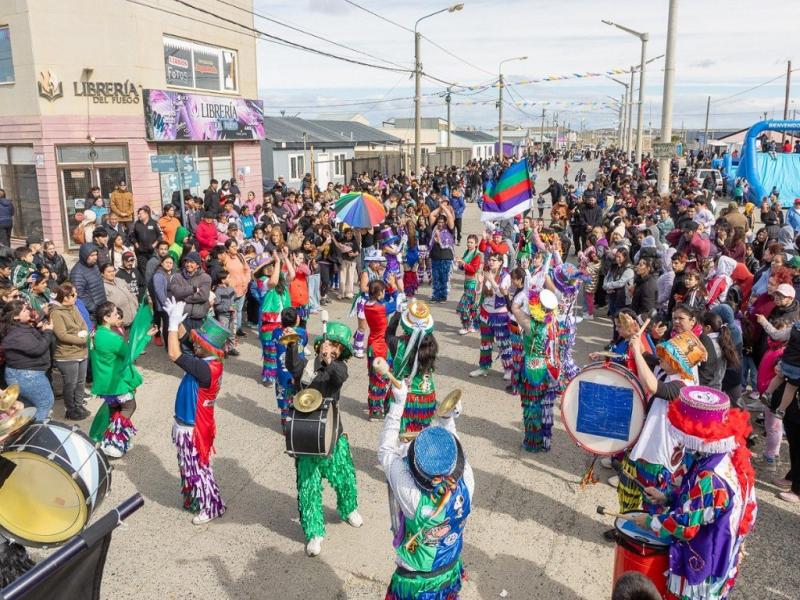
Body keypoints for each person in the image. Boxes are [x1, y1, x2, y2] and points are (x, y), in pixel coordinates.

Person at [633, 387, 756, 600]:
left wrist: (651, 521)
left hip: (704, 564)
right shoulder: (729, 453)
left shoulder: (710, 479)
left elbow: (686, 526)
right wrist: (668, 496)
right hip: (720, 553)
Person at [378, 381, 473, 599]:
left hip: (416, 583)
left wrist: (399, 402)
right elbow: (455, 446)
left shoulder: (413, 499)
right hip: (448, 571)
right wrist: (447, 418)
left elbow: (386, 451)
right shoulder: (468, 482)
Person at [284, 321, 362, 557]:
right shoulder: (307, 365)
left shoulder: (339, 367)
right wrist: (291, 343)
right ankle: (314, 532)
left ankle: (349, 508)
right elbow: (292, 367)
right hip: (306, 438)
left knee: (345, 479)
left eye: (339, 348)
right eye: (331, 345)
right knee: (308, 488)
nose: (334, 349)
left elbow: (338, 377)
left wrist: (330, 361)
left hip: (332, 436)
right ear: (320, 345)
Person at [617, 329, 708, 513]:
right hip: (645, 445)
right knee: (628, 492)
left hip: (659, 455)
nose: (662, 358)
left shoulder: (684, 387)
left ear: (678, 363)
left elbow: (653, 385)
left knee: (653, 503)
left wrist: (636, 352)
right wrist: (634, 337)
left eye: (667, 356)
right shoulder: (667, 370)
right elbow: (646, 356)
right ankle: (626, 526)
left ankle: (646, 537)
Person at [161, 298, 229, 525]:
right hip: (192, 423)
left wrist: (171, 325)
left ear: (208, 347)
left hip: (194, 427)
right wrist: (177, 322)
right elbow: (186, 340)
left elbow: (174, 354)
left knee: (199, 469)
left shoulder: (204, 367)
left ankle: (210, 506)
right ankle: (200, 500)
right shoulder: (207, 360)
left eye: (200, 342)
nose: (195, 344)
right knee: (191, 467)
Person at [88, 301, 154, 458]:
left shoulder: (95, 333)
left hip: (105, 383)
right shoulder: (109, 337)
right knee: (129, 407)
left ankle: (110, 441)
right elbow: (129, 354)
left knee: (115, 410)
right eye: (115, 313)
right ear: (105, 317)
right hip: (115, 382)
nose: (118, 316)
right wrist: (145, 337)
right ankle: (113, 442)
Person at [512, 288, 560, 451]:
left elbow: (515, 307)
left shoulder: (529, 324)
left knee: (530, 405)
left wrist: (527, 292)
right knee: (542, 405)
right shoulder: (553, 322)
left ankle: (532, 442)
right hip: (545, 367)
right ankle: (543, 439)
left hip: (531, 367)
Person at [0, 300, 54, 421]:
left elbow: (31, 344)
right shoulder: (16, 333)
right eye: (24, 310)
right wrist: (48, 332)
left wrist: (40, 330)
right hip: (27, 375)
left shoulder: (18, 328)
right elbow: (38, 348)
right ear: (15, 316)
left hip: (24, 373)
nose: (28, 311)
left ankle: (28, 431)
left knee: (28, 407)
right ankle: (35, 433)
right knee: (45, 403)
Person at [50, 283, 90, 420]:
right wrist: (81, 339)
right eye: (73, 294)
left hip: (81, 352)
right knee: (70, 384)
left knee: (80, 382)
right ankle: (71, 409)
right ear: (65, 297)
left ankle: (79, 405)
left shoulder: (74, 307)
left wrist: (85, 333)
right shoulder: (56, 313)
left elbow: (83, 323)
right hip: (67, 355)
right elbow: (62, 335)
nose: (76, 296)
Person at [470, 253, 512, 379]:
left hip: (500, 314)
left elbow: (501, 294)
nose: (491, 262)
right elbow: (478, 292)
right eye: (490, 260)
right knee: (485, 341)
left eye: (494, 260)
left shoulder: (506, 276)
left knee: (503, 342)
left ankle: (509, 369)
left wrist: (491, 280)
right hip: (485, 313)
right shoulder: (485, 272)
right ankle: (484, 367)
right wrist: (479, 283)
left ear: (500, 262)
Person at [256, 250, 294, 384]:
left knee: (285, 349)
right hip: (270, 323)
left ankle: (283, 372)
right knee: (270, 351)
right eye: (266, 266)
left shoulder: (281, 279)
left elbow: (292, 275)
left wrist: (285, 258)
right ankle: (268, 376)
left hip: (285, 321)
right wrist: (277, 262)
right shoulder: (262, 281)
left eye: (271, 265)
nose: (269, 268)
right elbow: (273, 282)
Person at [362, 279, 398, 420]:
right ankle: (376, 411)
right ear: (378, 293)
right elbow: (396, 303)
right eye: (382, 291)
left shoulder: (367, 305)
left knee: (374, 378)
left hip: (372, 344)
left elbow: (385, 301)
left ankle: (376, 404)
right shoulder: (381, 308)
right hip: (380, 347)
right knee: (381, 378)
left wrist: (388, 288)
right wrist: (393, 288)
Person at [70, 243, 106, 319]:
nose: (95, 257)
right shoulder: (77, 273)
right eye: (92, 255)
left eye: (96, 254)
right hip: (93, 314)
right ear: (84, 256)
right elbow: (79, 295)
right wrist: (95, 309)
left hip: (102, 307)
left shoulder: (94, 266)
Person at [455, 234, 482, 335]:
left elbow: (473, 269)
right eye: (468, 242)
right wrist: (459, 263)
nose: (469, 244)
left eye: (471, 242)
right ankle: (474, 324)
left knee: (464, 304)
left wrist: (464, 263)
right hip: (466, 282)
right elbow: (464, 268)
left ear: (476, 244)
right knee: (472, 305)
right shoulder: (467, 252)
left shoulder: (477, 255)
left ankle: (466, 326)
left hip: (473, 283)